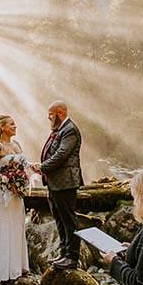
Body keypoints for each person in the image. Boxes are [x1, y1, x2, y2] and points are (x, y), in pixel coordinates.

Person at [0, 115, 39, 285]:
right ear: (3, 127)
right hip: (2, 192)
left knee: (17, 224)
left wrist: (36, 168)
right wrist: (6, 181)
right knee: (3, 225)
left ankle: (17, 267)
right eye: (12, 124)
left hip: (16, 193)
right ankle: (2, 270)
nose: (15, 126)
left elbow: (24, 166)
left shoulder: (16, 145)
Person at [36, 101, 84, 270]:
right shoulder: (59, 129)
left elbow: (61, 155)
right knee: (59, 219)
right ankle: (64, 253)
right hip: (54, 183)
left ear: (61, 113)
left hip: (66, 183)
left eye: (51, 114)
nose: (48, 117)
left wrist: (42, 167)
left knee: (69, 220)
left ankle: (72, 257)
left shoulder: (70, 129)